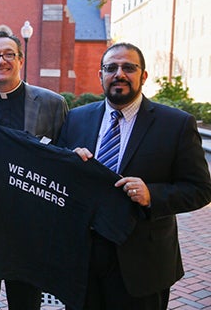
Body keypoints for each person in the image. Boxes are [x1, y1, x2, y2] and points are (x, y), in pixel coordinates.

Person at [57, 42, 211, 310]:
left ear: (144, 75)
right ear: (100, 75)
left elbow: (200, 189)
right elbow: (58, 178)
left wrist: (153, 194)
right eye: (111, 68)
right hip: (83, 259)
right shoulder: (76, 119)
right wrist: (70, 164)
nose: (119, 74)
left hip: (142, 265)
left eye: (129, 67)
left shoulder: (175, 124)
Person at [0, 30, 68, 310]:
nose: (1, 60)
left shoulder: (52, 103)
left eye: (9, 54)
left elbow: (63, 159)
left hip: (28, 221)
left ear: (21, 60)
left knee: (25, 300)